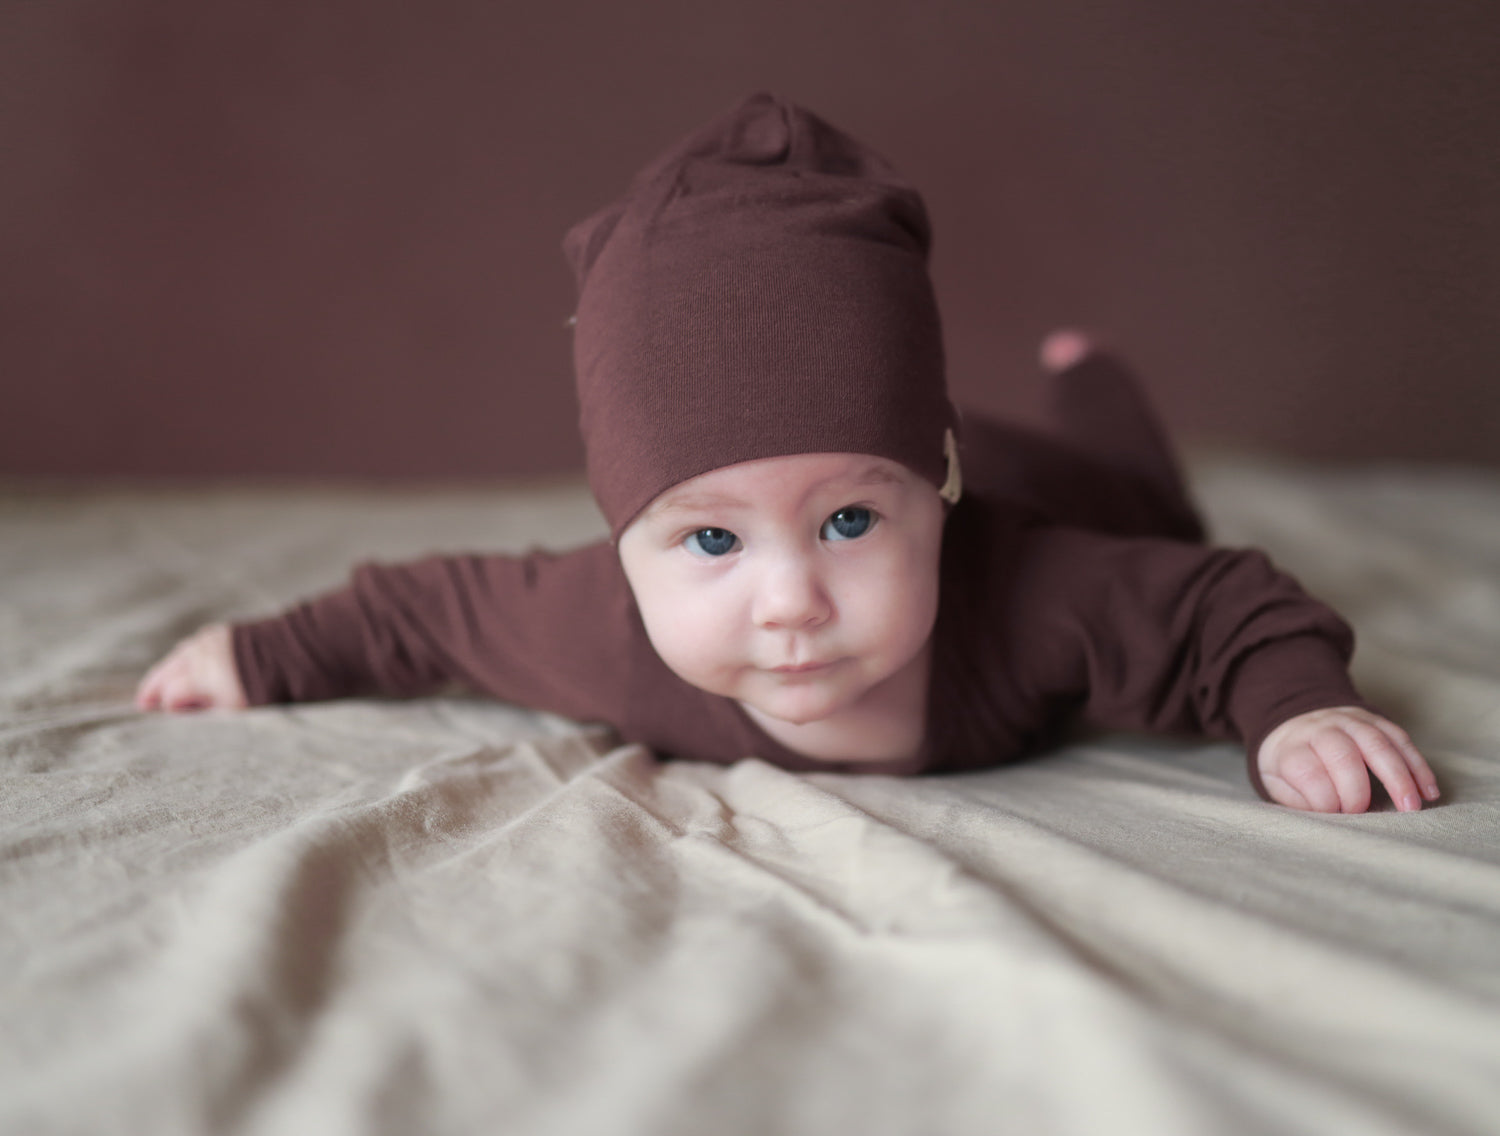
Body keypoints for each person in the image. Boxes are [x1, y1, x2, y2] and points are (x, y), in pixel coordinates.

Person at [136, 92, 1439, 815]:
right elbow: (416, 614)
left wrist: (1299, 707)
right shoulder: (595, 627)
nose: (792, 602)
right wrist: (261, 655)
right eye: (710, 537)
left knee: (1155, 503)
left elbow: (1230, 607)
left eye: (851, 524)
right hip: (932, 443)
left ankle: (1091, 384)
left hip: (1044, 482)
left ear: (929, 493)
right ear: (625, 540)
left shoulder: (1035, 594)